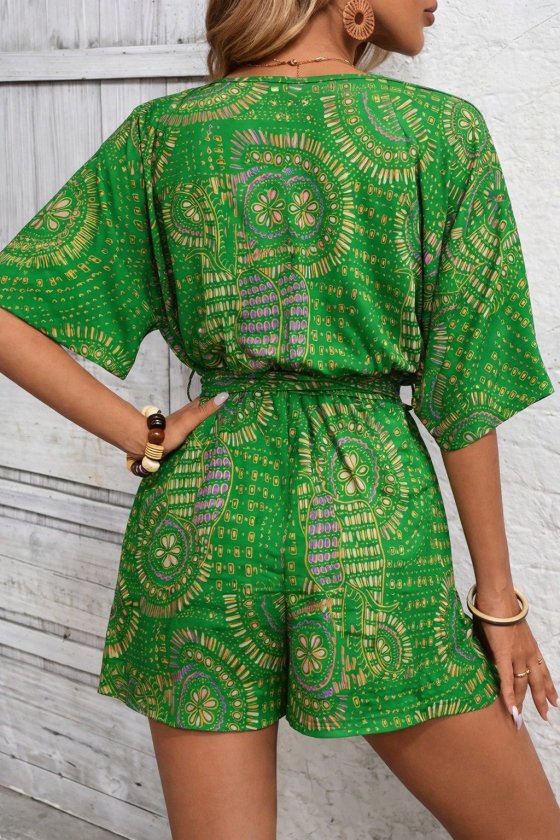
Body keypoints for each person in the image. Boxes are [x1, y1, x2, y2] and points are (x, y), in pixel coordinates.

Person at [0, 0, 559, 837]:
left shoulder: (164, 135)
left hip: (204, 515)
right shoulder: (440, 132)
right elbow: (467, 387)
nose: (436, 0)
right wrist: (499, 603)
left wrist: (140, 434)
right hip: (369, 517)